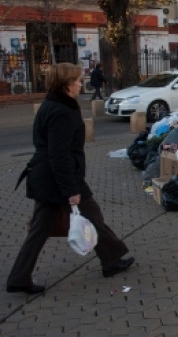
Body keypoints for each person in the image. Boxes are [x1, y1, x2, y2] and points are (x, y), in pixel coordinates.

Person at [6, 63, 134, 294]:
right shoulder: (61, 112)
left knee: (40, 229)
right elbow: (59, 154)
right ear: (66, 85)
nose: (80, 84)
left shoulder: (54, 105)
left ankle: (19, 277)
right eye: (76, 80)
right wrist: (70, 189)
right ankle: (112, 260)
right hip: (59, 178)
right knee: (93, 216)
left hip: (47, 177)